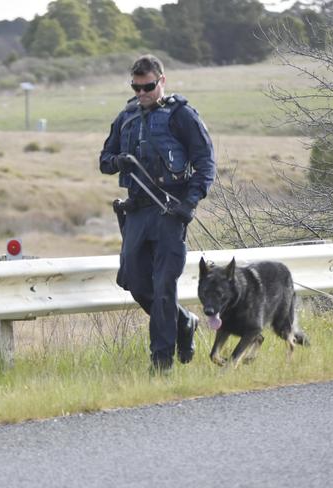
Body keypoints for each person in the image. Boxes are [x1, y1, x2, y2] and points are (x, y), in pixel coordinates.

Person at [100, 54, 216, 372]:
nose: (142, 93)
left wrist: (189, 203)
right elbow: (104, 159)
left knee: (165, 286)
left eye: (148, 87)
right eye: (136, 88)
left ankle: (161, 362)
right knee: (136, 284)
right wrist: (117, 162)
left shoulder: (182, 115)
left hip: (170, 212)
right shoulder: (126, 116)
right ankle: (184, 322)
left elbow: (206, 163)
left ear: (161, 81)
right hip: (137, 212)